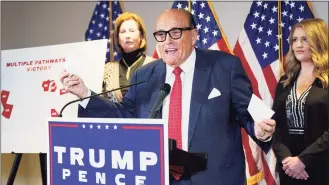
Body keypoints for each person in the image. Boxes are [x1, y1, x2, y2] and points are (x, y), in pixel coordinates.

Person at [60, 9, 276, 185]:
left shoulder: (225, 65)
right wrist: (85, 94)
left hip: (213, 176)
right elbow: (126, 115)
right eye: (161, 35)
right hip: (160, 175)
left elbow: (245, 111)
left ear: (194, 35)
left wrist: (259, 130)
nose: (167, 41)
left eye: (175, 33)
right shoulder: (145, 74)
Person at [272, 18, 329, 185]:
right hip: (288, 169)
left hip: (322, 168)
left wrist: (303, 160)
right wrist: (286, 159)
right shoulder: (285, 81)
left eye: (305, 39)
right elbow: (275, 125)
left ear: (319, 40)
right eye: (295, 40)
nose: (298, 45)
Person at [102, 12, 155, 102]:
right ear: (118, 39)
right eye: (123, 32)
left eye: (132, 30)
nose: (127, 36)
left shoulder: (155, 66)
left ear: (141, 36)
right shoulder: (107, 69)